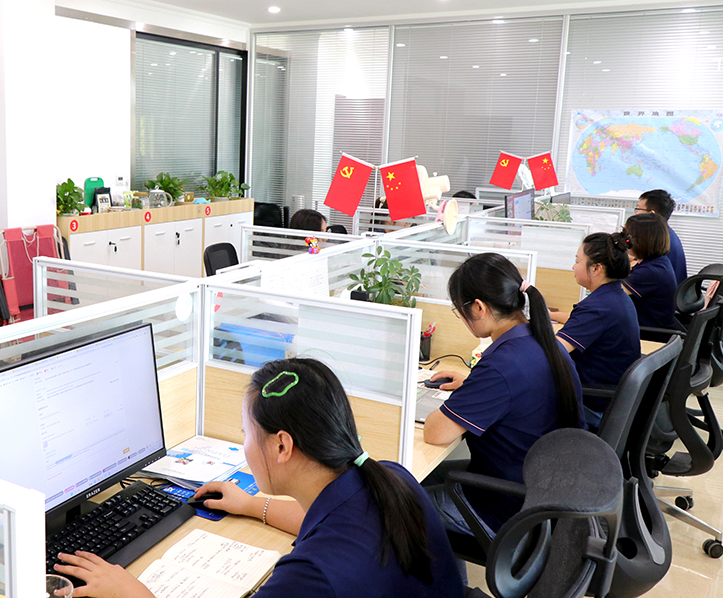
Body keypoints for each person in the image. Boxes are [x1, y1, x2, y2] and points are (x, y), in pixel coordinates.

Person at [54, 358, 464, 597]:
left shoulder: (309, 576)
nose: (245, 444)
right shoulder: (388, 477)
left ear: (282, 446)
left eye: (247, 433)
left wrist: (133, 593)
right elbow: (333, 524)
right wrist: (252, 505)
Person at [422, 253, 583, 543]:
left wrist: (478, 388)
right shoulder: (544, 341)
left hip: (504, 508)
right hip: (544, 492)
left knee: (393, 501)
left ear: (479, 307)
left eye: (459, 310)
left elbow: (435, 433)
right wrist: (473, 386)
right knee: (416, 479)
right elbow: (520, 387)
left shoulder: (502, 365)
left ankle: (443, 571)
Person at [550, 232, 640, 426]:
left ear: (597, 268)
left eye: (577, 261)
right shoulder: (614, 296)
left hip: (593, 405)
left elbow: (552, 352)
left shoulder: (597, 308)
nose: (573, 267)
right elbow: (578, 321)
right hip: (613, 399)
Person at [621, 213, 678, 329]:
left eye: (627, 238)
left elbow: (609, 292)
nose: (625, 241)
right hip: (648, 325)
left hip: (649, 333)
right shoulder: (659, 261)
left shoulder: (650, 272)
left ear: (641, 240)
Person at [637, 189, 687, 284]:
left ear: (651, 214)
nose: (635, 213)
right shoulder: (665, 233)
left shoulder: (656, 241)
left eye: (638, 209)